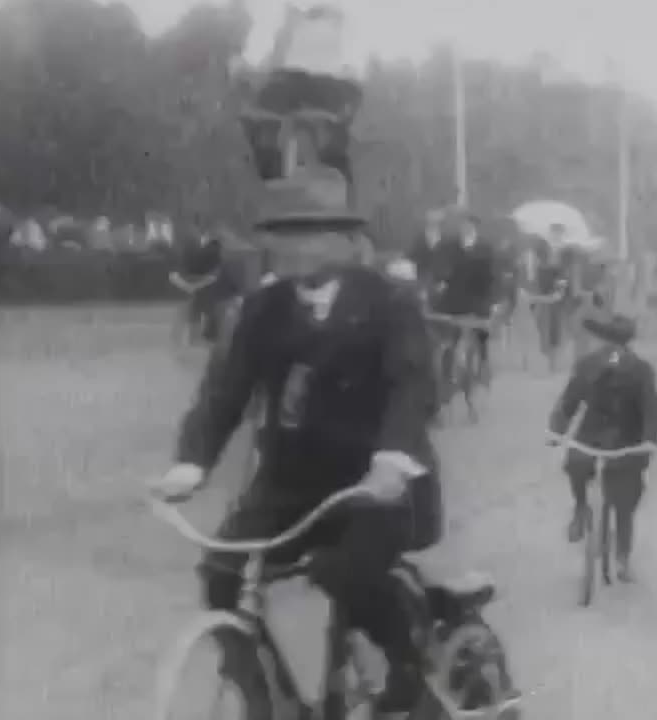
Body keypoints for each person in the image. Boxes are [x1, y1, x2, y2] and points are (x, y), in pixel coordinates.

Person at [149, 166, 444, 717]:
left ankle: (406, 668)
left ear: (342, 241)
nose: (290, 248)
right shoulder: (264, 309)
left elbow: (414, 384)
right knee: (221, 573)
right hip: (292, 483)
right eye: (281, 235)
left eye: (307, 233)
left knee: (346, 572)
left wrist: (391, 459)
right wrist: (189, 466)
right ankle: (259, 694)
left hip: (375, 485)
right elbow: (224, 393)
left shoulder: (389, 303)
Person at [547, 311, 657, 583]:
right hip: (611, 439)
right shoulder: (616, 367)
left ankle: (620, 554)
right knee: (582, 468)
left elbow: (651, 409)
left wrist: (649, 440)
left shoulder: (624, 368)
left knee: (619, 492)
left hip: (617, 440)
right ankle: (582, 509)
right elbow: (570, 401)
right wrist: (556, 429)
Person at [435, 213, 499, 383]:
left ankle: (483, 364)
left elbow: (492, 275)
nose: (465, 228)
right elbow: (441, 266)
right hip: (455, 298)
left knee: (481, 335)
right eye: (463, 225)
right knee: (451, 335)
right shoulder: (449, 246)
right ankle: (448, 372)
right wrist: (442, 279)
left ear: (475, 227)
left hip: (479, 297)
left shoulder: (485, 247)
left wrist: (492, 300)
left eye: (469, 225)